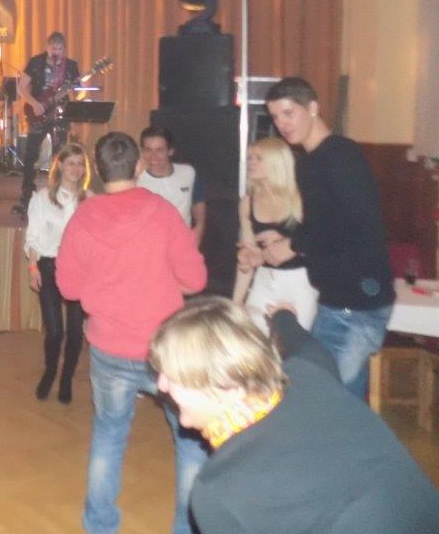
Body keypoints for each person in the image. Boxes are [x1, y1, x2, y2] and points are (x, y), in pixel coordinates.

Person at [150, 297, 439, 534]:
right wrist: (283, 316)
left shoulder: (220, 490)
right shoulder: (308, 372)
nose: (161, 386)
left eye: (174, 377)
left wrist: (283, 318)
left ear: (227, 387)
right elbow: (304, 343)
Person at [56, 131, 207, 534]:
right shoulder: (163, 213)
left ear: (97, 169)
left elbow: (68, 288)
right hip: (165, 350)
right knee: (190, 441)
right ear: (138, 166)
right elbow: (196, 280)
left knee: (109, 434)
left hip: (109, 348)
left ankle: (99, 525)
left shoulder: (83, 217)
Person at [263, 77, 393, 398]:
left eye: (288, 113)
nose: (282, 124)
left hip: (355, 302)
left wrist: (293, 245)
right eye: (276, 117)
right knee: (336, 396)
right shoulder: (312, 161)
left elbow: (356, 220)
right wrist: (286, 241)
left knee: (326, 397)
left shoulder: (339, 155)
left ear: (313, 108)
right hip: (340, 297)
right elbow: (323, 222)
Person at [24, 142, 91, 404]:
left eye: (80, 164)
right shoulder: (43, 198)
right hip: (49, 266)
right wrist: (32, 267)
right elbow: (33, 236)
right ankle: (50, 371)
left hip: (80, 270)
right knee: (54, 332)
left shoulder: (90, 199)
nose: (75, 168)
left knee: (75, 333)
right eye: (71, 163)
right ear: (60, 165)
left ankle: (66, 379)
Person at [233, 137, 318, 334]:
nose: (251, 162)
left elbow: (320, 242)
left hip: (301, 281)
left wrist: (287, 243)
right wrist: (236, 302)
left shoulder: (301, 198)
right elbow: (247, 257)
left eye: (258, 158)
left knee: (294, 343)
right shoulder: (248, 202)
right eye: (250, 158)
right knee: (254, 341)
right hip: (265, 279)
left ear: (276, 162)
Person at [15, 31, 81, 215]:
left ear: (64, 50)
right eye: (53, 48)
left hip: (60, 115)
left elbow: (78, 92)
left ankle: (59, 193)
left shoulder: (71, 66)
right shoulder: (36, 62)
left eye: (59, 49)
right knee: (30, 154)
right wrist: (33, 103)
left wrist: (78, 92)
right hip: (38, 113)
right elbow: (21, 88)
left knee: (60, 155)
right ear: (47, 47)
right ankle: (27, 194)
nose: (56, 52)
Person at [137, 126, 207, 247]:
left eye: (159, 150)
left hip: (183, 245)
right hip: (151, 248)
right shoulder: (137, 181)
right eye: (148, 150)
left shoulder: (188, 173)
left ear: (170, 151)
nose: (153, 156)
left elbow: (198, 202)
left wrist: (199, 229)